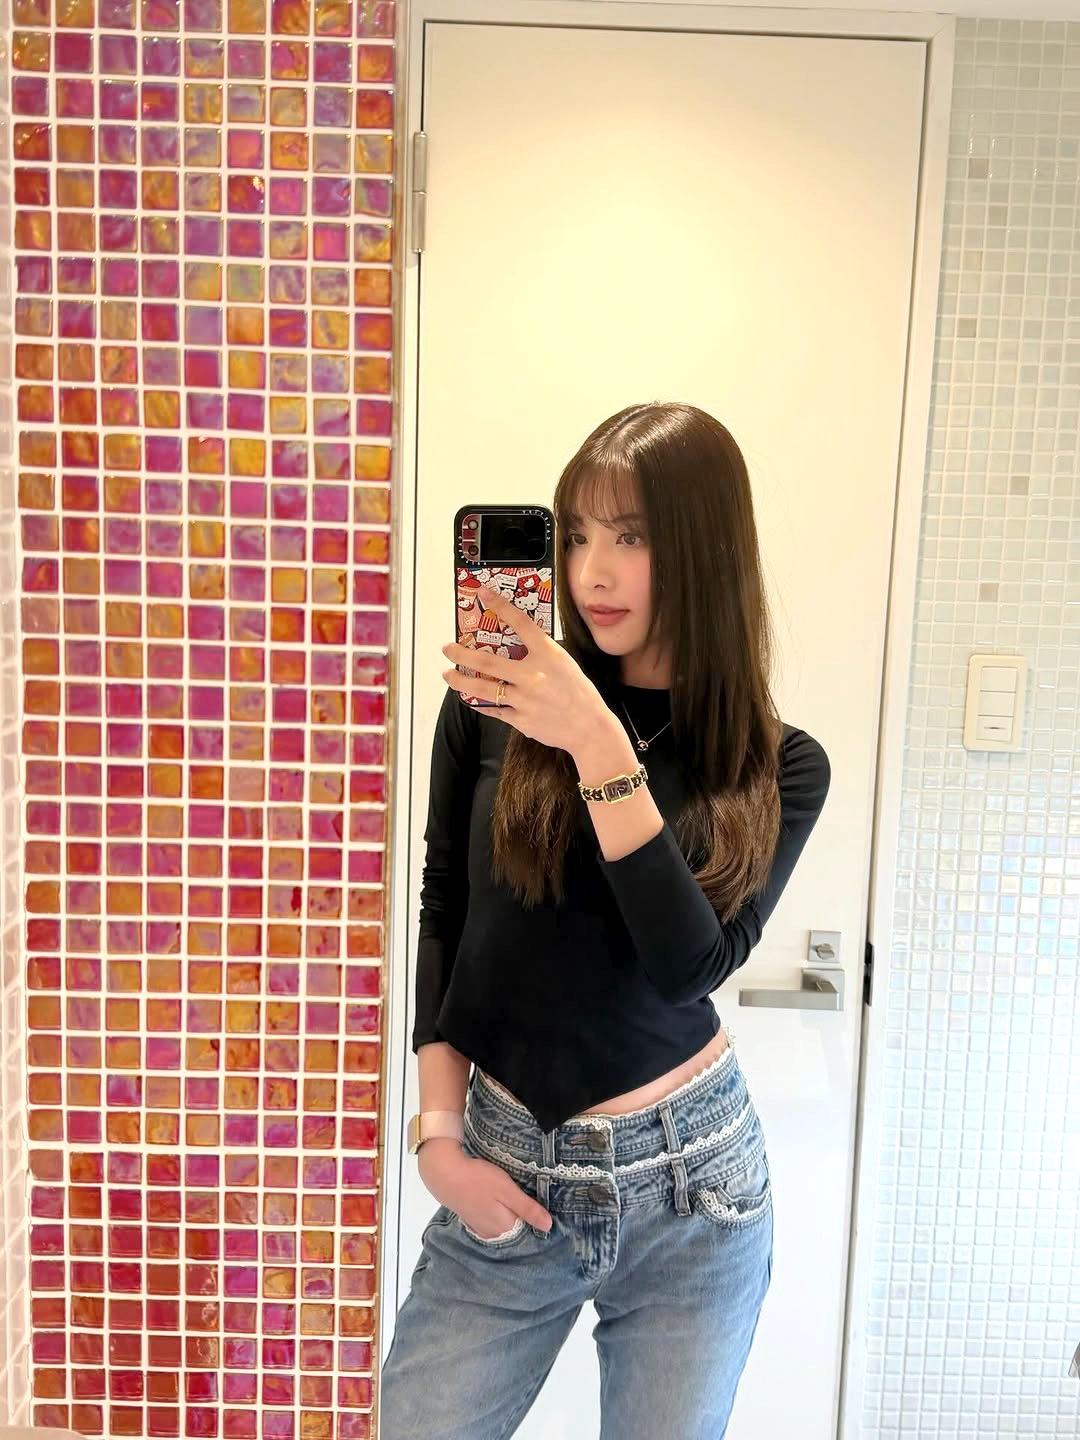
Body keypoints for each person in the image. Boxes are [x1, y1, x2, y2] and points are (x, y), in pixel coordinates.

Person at [380, 402, 832, 1439]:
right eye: (576, 533)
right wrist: (438, 1135)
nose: (592, 572)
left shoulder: (777, 764)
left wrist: (598, 745)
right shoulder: (492, 706)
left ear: (704, 550)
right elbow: (444, 901)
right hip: (505, 1158)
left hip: (694, 1191)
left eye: (631, 536)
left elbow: (690, 965)